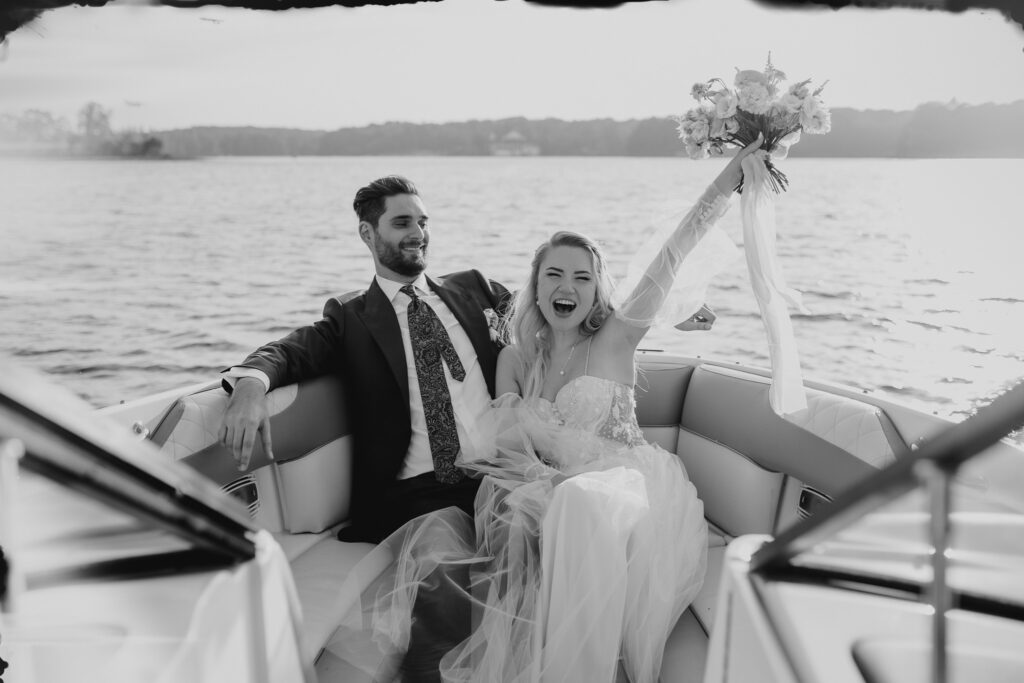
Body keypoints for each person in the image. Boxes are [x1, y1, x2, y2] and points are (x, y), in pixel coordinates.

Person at [333, 137, 764, 683]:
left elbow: (673, 252)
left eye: (582, 277)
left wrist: (729, 180)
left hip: (625, 491)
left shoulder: (615, 339)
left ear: (597, 290)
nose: (567, 287)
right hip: (550, 491)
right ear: (534, 285)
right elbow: (508, 447)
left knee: (577, 503)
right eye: (554, 274)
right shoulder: (515, 359)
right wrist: (541, 487)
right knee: (518, 509)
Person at [217, 174, 510, 682]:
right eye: (402, 223)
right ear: (367, 234)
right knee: (443, 569)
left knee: (560, 535)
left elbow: (548, 315)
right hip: (421, 494)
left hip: (500, 474)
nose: (418, 233)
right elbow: (287, 352)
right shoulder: (351, 317)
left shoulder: (474, 289)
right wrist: (248, 386)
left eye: (423, 221)